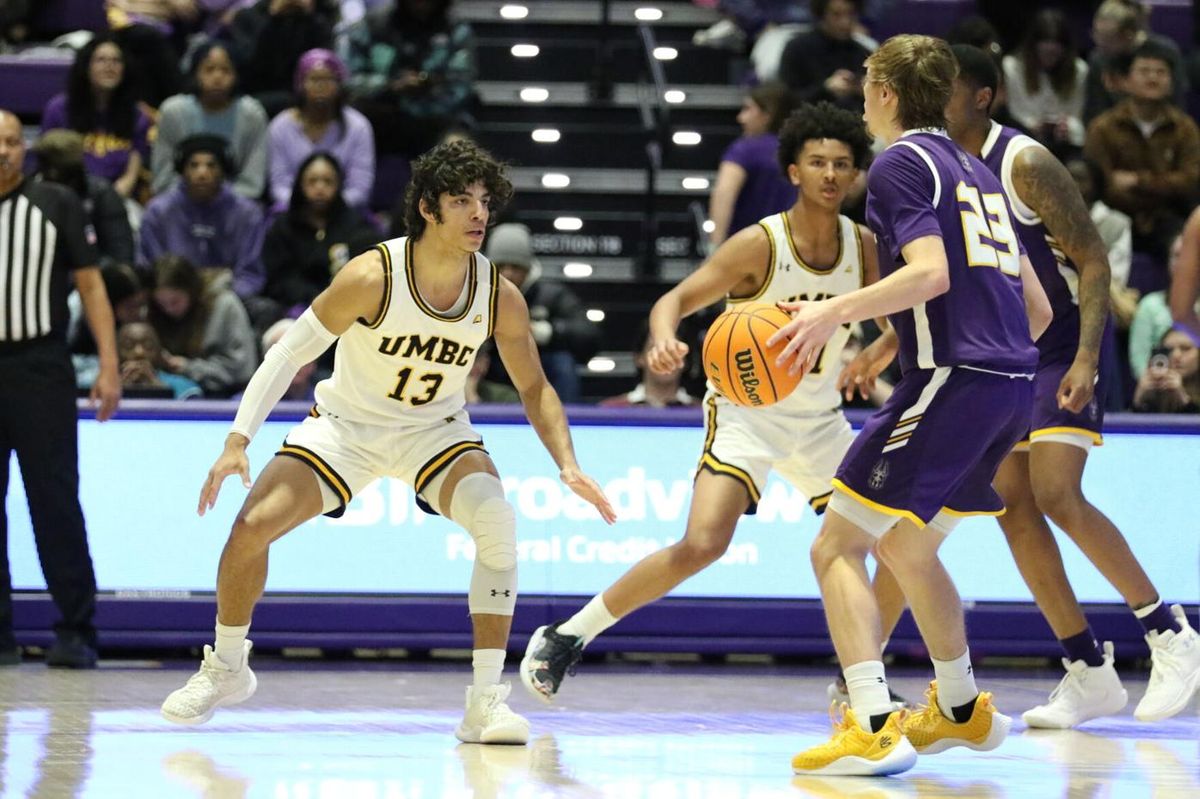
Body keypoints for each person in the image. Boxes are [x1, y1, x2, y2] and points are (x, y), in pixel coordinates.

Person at [159, 139, 616, 744]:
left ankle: (484, 704)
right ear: (429, 208)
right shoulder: (373, 275)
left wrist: (568, 463)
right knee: (250, 528)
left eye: (485, 201)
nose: (479, 214)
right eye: (462, 201)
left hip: (435, 433)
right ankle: (226, 665)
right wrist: (238, 438)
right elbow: (290, 351)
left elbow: (534, 387)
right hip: (346, 428)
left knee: (498, 525)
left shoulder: (498, 294)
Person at [520, 102, 906, 712]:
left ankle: (861, 678)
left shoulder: (865, 248)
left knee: (897, 544)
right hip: (746, 414)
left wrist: (884, 344)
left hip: (821, 420)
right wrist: (664, 338)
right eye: (817, 163)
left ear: (857, 175)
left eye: (842, 164)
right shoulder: (759, 245)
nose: (831, 175)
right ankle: (569, 635)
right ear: (793, 171)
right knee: (703, 544)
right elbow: (673, 300)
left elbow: (904, 315)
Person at [771, 35, 1053, 776]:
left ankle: (868, 723)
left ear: (889, 94)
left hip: (954, 381)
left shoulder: (900, 162)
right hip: (1011, 388)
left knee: (836, 544)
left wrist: (834, 315)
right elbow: (1038, 309)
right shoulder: (979, 170)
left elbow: (928, 273)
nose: (862, 97)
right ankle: (959, 707)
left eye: (868, 83)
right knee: (906, 546)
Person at [931, 43, 1200, 728]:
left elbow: (1092, 259)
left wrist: (1085, 358)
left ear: (983, 95)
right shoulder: (933, 162)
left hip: (1058, 350)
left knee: (1055, 492)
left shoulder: (1023, 160)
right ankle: (1086, 669)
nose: (934, 96)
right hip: (999, 357)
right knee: (1013, 507)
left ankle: (1171, 633)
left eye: (948, 86)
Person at [0, 109, 121, 669]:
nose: (2, 151)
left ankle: (76, 627)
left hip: (40, 366)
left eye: (9, 142)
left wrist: (109, 365)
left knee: (53, 501)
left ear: (23, 149)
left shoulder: (56, 204)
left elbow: (92, 285)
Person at [1084, 40, 1200, 269]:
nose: (1153, 78)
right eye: (1144, 71)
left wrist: (1138, 181)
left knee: (1183, 246)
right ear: (1126, 81)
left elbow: (1190, 181)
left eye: (1161, 72)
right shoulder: (1103, 127)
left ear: (1171, 82)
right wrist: (1164, 184)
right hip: (1114, 215)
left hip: (1167, 218)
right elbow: (1103, 184)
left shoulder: (1185, 128)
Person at [138, 134, 267, 301]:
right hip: (171, 300)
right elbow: (149, 269)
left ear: (223, 171)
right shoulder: (158, 212)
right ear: (182, 171)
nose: (202, 173)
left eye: (211, 165)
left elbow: (251, 274)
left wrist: (220, 296)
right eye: (194, 165)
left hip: (229, 299)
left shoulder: (248, 214)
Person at [481, 224, 598, 404]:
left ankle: (568, 420)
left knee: (562, 363)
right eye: (501, 266)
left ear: (528, 268)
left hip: (539, 366)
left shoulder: (551, 294)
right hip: (493, 367)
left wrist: (545, 332)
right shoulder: (477, 293)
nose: (508, 273)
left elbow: (589, 336)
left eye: (516, 266)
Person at [345, 0, 476, 159]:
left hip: (436, 119)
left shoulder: (455, 29)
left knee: (457, 143)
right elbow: (350, 79)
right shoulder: (374, 25)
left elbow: (460, 86)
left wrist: (426, 85)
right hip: (381, 117)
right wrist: (390, 85)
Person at [262, 152, 379, 322]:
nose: (320, 188)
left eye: (327, 181)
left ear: (338, 185)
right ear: (300, 184)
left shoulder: (356, 224)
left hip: (349, 312)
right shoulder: (283, 226)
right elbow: (279, 279)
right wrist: (315, 298)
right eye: (312, 181)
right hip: (293, 311)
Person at [151, 40, 269, 200]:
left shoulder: (252, 115)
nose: (217, 77)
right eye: (209, 69)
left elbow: (252, 182)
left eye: (225, 70)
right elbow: (163, 179)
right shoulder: (173, 111)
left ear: (236, 75)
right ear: (195, 73)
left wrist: (218, 201)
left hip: (234, 205)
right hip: (180, 203)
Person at [40, 34, 154, 199]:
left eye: (117, 61)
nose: (110, 66)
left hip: (117, 199)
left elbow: (130, 176)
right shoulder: (58, 109)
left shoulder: (137, 115)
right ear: (86, 67)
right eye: (101, 60)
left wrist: (108, 203)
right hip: (67, 197)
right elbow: (50, 165)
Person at [267, 48, 375, 211]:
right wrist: (306, 205)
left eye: (329, 80)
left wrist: (329, 205)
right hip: (294, 211)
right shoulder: (280, 126)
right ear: (300, 84)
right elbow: (279, 186)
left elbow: (360, 188)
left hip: (344, 211)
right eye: (314, 79)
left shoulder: (358, 126)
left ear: (340, 85)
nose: (321, 86)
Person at [148, 254, 258, 397]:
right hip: (173, 392)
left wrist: (187, 367)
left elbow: (241, 370)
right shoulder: (155, 312)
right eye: (162, 304)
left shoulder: (225, 305)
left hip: (224, 396)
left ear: (191, 291)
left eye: (175, 301)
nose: (169, 309)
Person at [707, 82, 797, 248]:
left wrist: (714, 247)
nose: (740, 118)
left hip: (745, 249)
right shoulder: (801, 151)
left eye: (748, 109)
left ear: (767, 114)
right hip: (792, 250)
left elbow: (724, 193)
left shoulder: (745, 149)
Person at [33, 130, 134, 269]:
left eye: (61, 169)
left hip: (95, 273)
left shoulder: (101, 193)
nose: (53, 174)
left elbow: (121, 257)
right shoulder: (30, 194)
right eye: (48, 168)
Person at [225, 0, 336, 118]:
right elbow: (249, 64)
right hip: (257, 94)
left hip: (302, 95)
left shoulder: (317, 21)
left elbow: (322, 64)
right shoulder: (247, 17)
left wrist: (308, 18)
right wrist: (273, 18)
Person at [1001, 9, 1088, 158]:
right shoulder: (1012, 67)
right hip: (1023, 140)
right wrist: (1031, 126)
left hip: (1065, 144)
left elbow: (1077, 117)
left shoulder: (1079, 70)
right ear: (1033, 47)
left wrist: (1069, 127)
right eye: (1045, 51)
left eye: (1055, 52)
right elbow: (1013, 113)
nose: (1050, 57)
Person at [777, 0, 872, 112]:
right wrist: (825, 90)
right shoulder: (797, 48)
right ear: (822, 15)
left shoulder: (863, 53)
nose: (845, 22)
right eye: (836, 14)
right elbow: (784, 102)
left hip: (856, 124)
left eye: (850, 14)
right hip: (808, 124)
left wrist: (866, 92)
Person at [599, 323, 699, 408]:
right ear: (639, 358)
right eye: (656, 349)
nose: (665, 358)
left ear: (686, 361)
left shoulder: (704, 412)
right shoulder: (611, 409)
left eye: (673, 351)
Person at [116, 321, 204, 399]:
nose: (139, 352)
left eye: (148, 345)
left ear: (160, 351)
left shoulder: (185, 389)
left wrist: (159, 388)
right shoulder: (104, 387)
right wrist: (117, 389)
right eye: (128, 345)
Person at [1132, 328, 1200, 412]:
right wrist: (1138, 402)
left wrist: (1184, 400)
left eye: (1185, 349)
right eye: (1168, 350)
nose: (1176, 355)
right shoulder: (1152, 391)